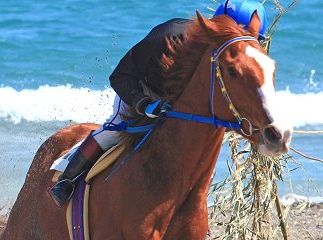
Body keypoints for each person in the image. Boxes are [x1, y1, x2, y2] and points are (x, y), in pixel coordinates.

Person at [48, 0, 268, 206]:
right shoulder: (170, 38)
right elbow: (120, 76)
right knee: (113, 131)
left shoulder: (220, 60)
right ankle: (66, 181)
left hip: (175, 101)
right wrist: (143, 103)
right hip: (138, 90)